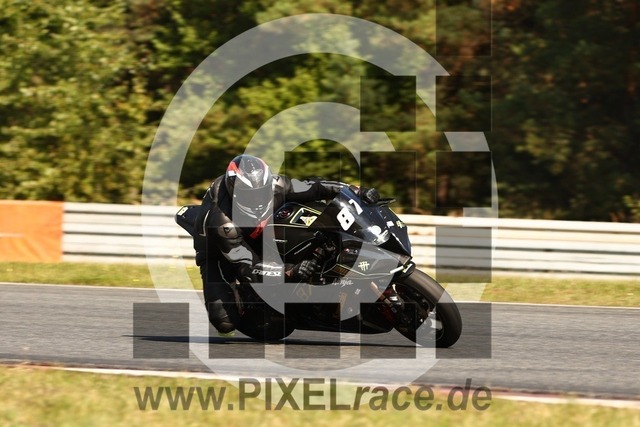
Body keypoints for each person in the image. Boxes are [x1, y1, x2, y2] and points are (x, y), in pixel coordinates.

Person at [192, 154, 379, 335]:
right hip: (218, 251)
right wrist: (290, 271)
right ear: (235, 194)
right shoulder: (222, 223)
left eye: (262, 192)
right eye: (251, 196)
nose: (258, 200)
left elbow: (315, 186)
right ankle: (249, 299)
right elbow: (247, 266)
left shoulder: (277, 185)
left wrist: (356, 191)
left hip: (260, 230)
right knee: (224, 322)